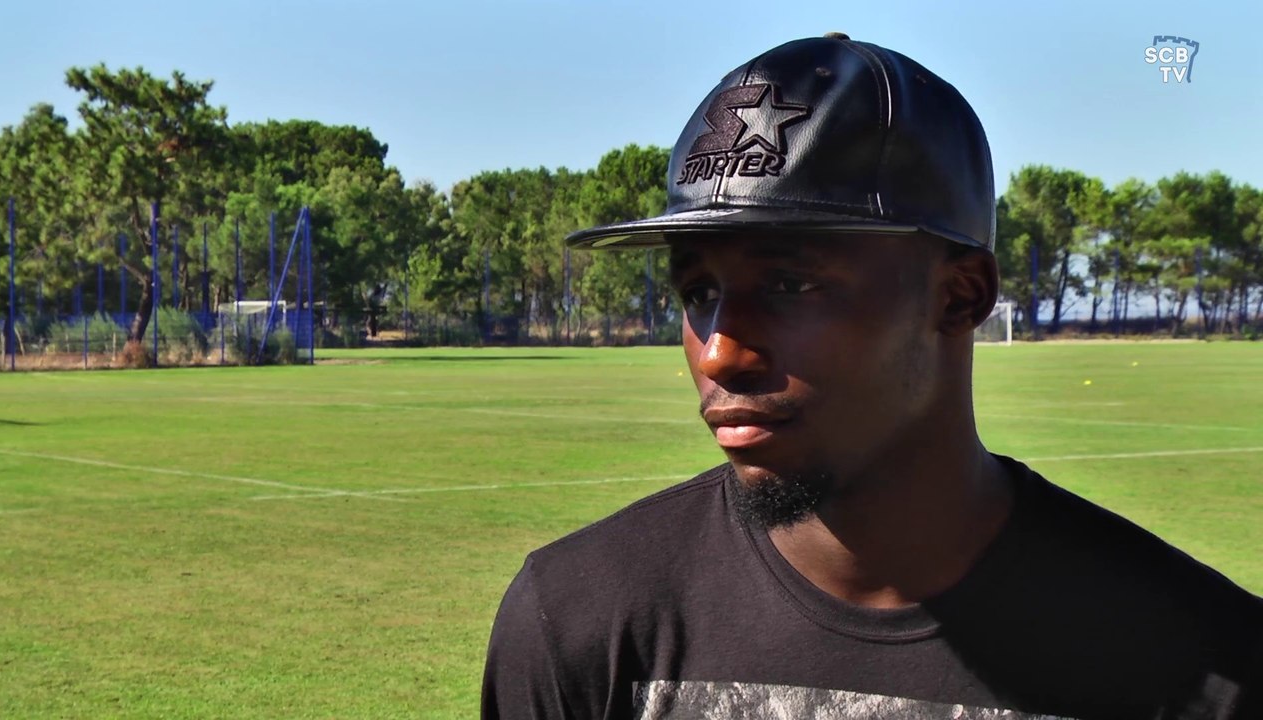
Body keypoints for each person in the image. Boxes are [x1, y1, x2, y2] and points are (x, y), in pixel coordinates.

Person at [481, 33, 1262, 719]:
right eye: (699, 294)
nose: (719, 354)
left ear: (961, 296)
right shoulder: (583, 620)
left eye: (788, 285)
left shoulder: (1205, 665)